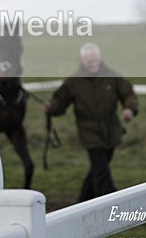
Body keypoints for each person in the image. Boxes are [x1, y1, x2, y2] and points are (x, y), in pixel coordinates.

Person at [43, 43, 138, 202]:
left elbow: (128, 94)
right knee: (101, 169)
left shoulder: (113, 76)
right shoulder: (73, 82)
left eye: (95, 60)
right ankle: (111, 201)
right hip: (88, 132)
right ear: (82, 61)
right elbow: (60, 101)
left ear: (100, 59)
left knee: (98, 168)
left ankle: (83, 200)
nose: (92, 63)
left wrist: (129, 109)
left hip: (111, 130)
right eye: (89, 61)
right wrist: (51, 108)